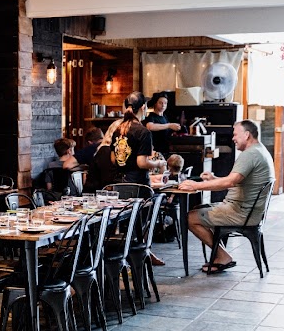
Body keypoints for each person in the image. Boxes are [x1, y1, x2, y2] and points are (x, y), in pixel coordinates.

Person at [180, 120, 274, 273]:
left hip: (240, 213)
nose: (233, 138)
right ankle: (220, 255)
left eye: (235, 134)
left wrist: (195, 185)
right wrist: (214, 179)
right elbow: (237, 181)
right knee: (198, 209)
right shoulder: (260, 150)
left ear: (247, 135)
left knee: (189, 218)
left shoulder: (250, 154)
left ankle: (222, 256)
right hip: (247, 211)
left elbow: (230, 182)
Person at [110, 91, 166, 185]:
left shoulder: (118, 130)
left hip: (118, 183)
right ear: (143, 107)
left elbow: (113, 159)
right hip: (137, 185)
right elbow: (142, 163)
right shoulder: (144, 132)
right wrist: (158, 164)